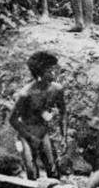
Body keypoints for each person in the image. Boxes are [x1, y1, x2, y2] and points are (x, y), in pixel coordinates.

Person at [8, 50, 67, 180]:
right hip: (25, 134)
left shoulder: (56, 89)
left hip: (42, 131)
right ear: (39, 74)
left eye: (54, 69)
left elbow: (63, 112)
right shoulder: (25, 94)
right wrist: (30, 137)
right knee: (31, 172)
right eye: (49, 71)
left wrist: (64, 137)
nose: (54, 73)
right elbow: (12, 120)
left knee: (53, 170)